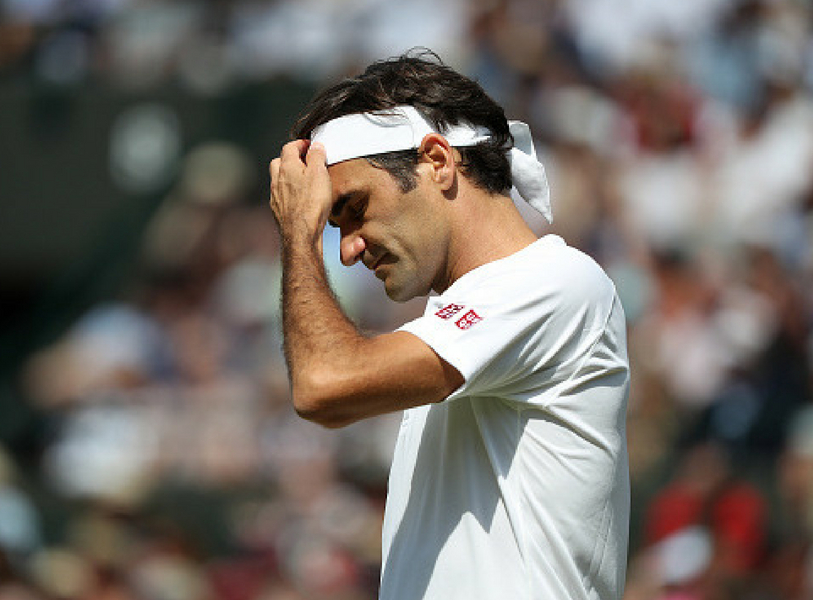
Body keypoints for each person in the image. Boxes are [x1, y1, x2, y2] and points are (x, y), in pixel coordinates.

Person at [268, 51, 631, 600]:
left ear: (437, 161)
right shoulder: (466, 319)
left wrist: (299, 231)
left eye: (355, 208)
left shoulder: (554, 280)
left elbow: (324, 384)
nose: (347, 250)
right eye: (332, 224)